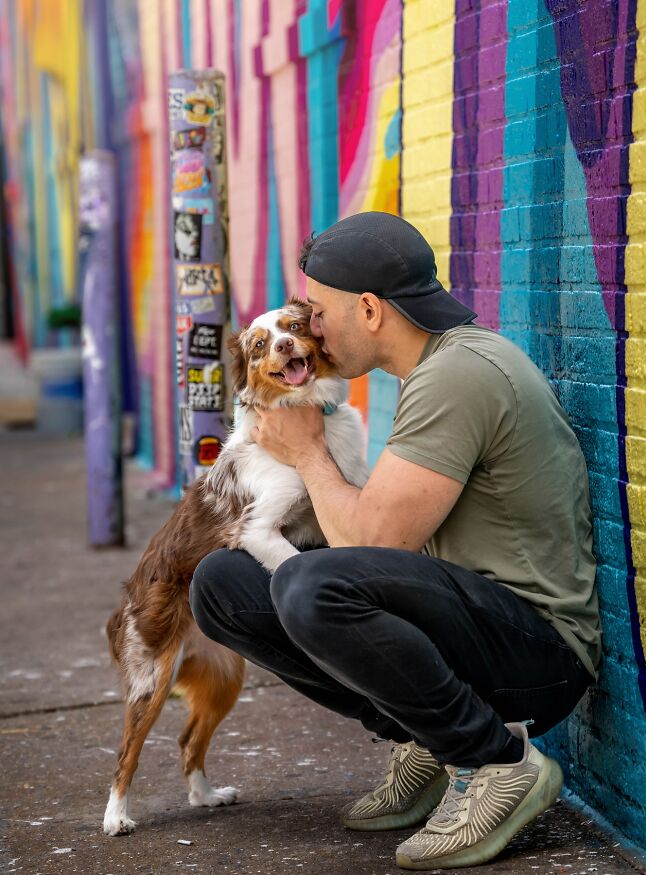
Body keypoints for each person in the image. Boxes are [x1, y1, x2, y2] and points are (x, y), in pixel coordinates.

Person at [189, 211, 600, 870]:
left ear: (372, 310)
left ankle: (493, 759)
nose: (310, 329)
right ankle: (426, 738)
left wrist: (308, 453)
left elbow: (371, 539)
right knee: (222, 585)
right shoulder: (433, 371)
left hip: (540, 653)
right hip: (478, 628)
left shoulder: (457, 375)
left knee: (308, 583)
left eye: (318, 312)